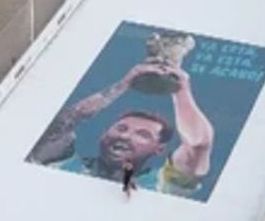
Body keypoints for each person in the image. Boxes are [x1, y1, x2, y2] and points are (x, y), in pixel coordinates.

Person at [28, 62, 215, 198]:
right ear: (104, 134)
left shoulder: (163, 184)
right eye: (121, 128)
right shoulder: (63, 162)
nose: (125, 136)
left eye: (142, 135)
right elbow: (60, 124)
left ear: (159, 149)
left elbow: (198, 143)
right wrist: (124, 84)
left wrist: (181, 90)